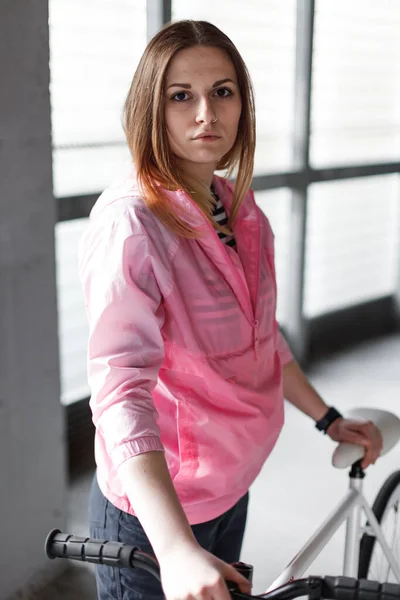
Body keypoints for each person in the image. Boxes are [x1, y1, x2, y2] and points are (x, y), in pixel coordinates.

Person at [79, 19, 383, 600]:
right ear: (152, 108)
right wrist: (172, 548)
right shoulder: (131, 225)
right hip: (154, 514)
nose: (205, 114)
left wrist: (326, 418)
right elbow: (120, 393)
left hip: (229, 488)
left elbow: (262, 340)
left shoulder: (238, 209)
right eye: (180, 96)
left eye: (222, 92)